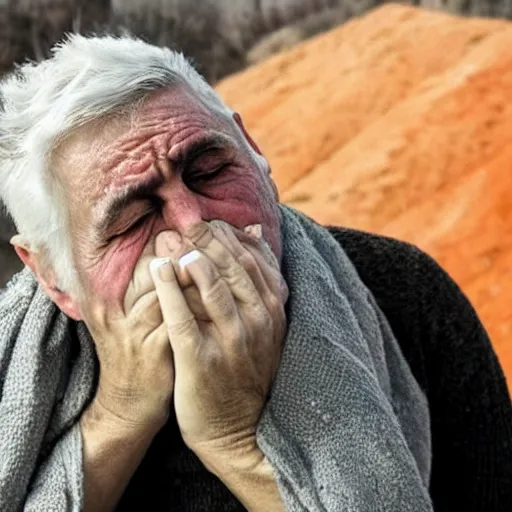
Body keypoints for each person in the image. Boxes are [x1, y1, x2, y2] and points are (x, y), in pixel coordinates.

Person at [0, 35, 510, 512]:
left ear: (253, 150)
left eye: (211, 171)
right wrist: (120, 416)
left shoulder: (403, 292)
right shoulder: (18, 372)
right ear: (53, 277)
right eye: (134, 219)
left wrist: (236, 443)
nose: (195, 222)